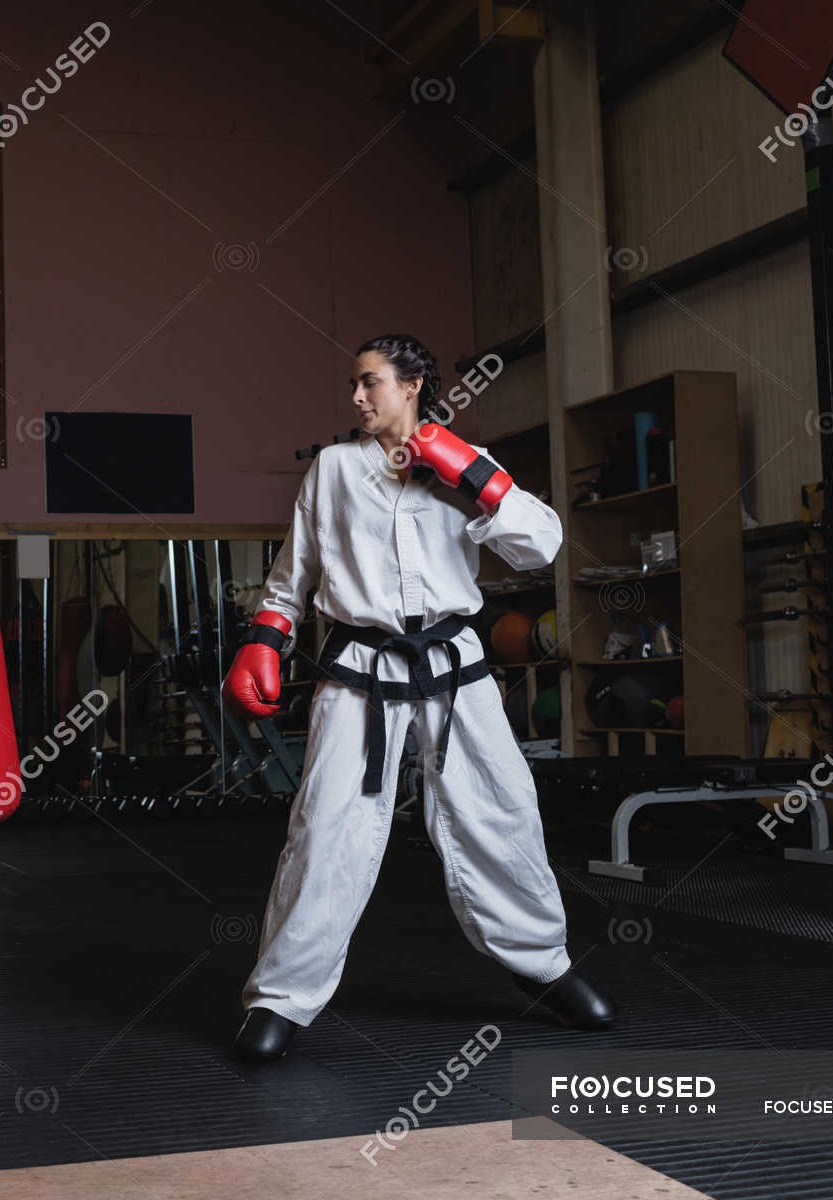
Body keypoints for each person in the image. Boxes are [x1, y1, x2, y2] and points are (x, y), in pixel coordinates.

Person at [222, 333, 616, 1061]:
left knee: (502, 810)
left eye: (369, 382)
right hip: (360, 668)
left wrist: (480, 482)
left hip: (454, 664)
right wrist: (265, 640)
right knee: (325, 828)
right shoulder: (334, 470)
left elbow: (543, 546)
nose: (356, 397)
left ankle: (545, 967)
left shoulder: (467, 464)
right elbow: (293, 574)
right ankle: (281, 995)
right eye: (354, 385)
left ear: (411, 387)